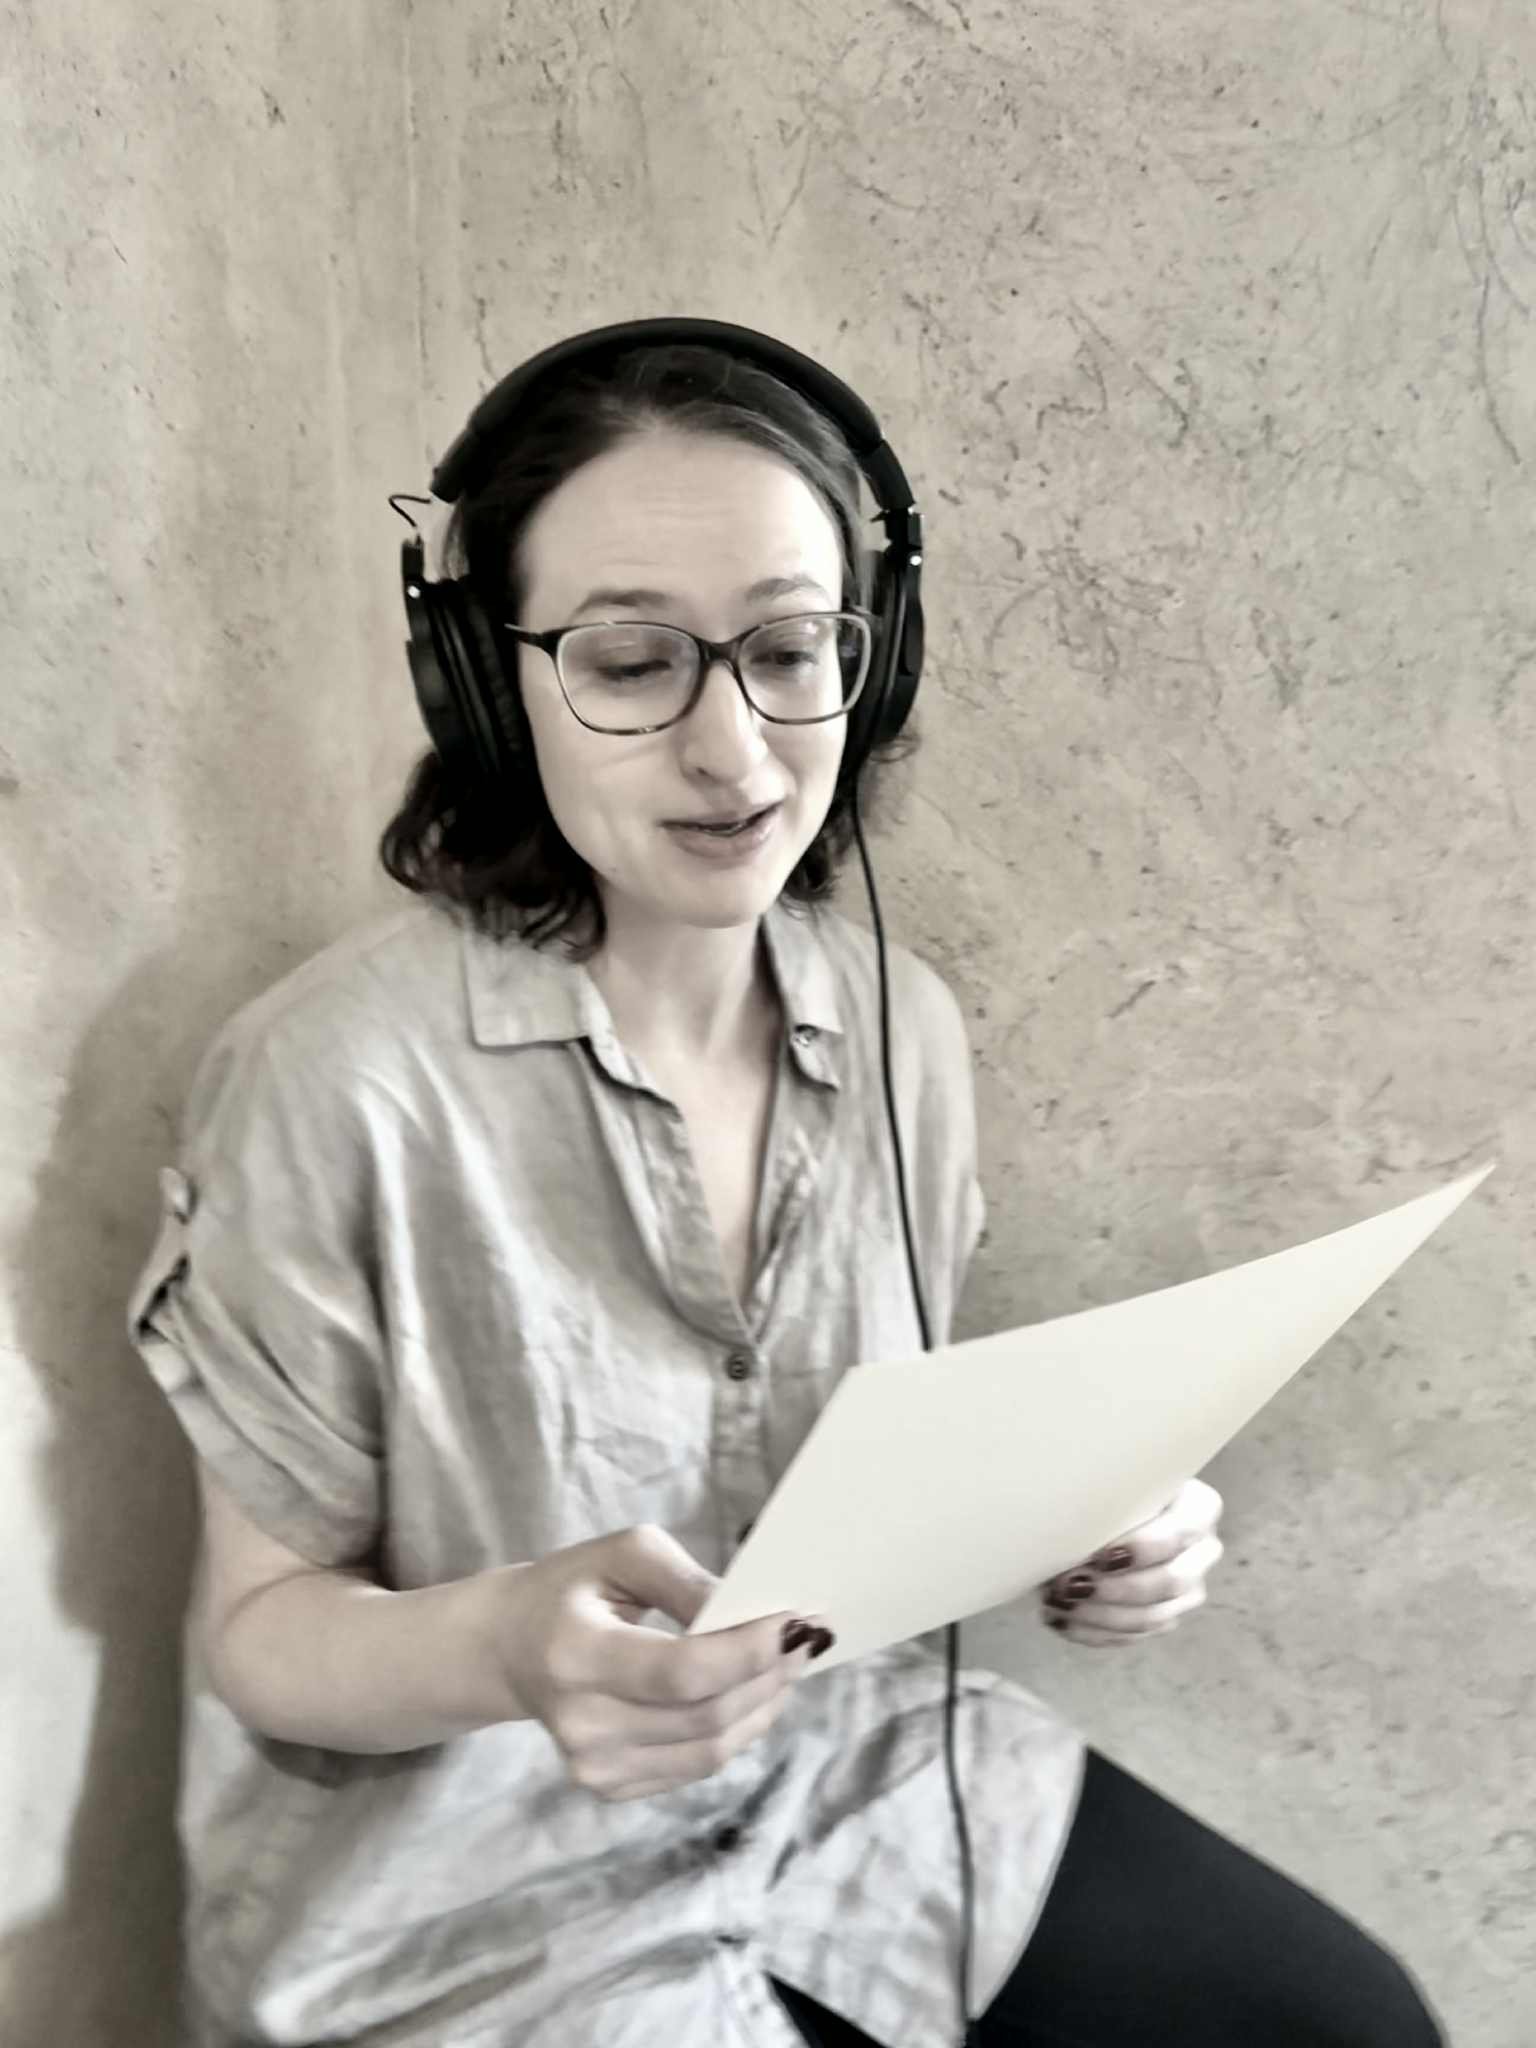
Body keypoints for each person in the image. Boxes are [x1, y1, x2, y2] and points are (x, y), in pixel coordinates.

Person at [128, 329, 1445, 2047]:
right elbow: (262, 1633)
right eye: (629, 661)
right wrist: (506, 1644)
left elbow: (881, 1481)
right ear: (485, 684)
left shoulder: (907, 1029)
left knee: (1350, 2024)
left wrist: (1093, 1519)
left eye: (787, 648)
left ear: (865, 665)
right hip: (463, 1907)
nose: (734, 751)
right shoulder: (331, 1077)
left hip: (847, 1780)